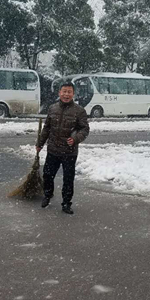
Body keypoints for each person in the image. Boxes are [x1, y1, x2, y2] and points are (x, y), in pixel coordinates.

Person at [36, 81, 90, 215]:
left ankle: (66, 203)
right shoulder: (52, 108)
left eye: (69, 92)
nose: (66, 94)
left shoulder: (79, 111)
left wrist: (76, 139)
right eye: (64, 91)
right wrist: (40, 143)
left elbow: (85, 129)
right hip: (53, 149)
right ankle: (47, 195)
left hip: (69, 152)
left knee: (68, 179)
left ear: (73, 94)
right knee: (47, 175)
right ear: (59, 92)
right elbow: (47, 128)